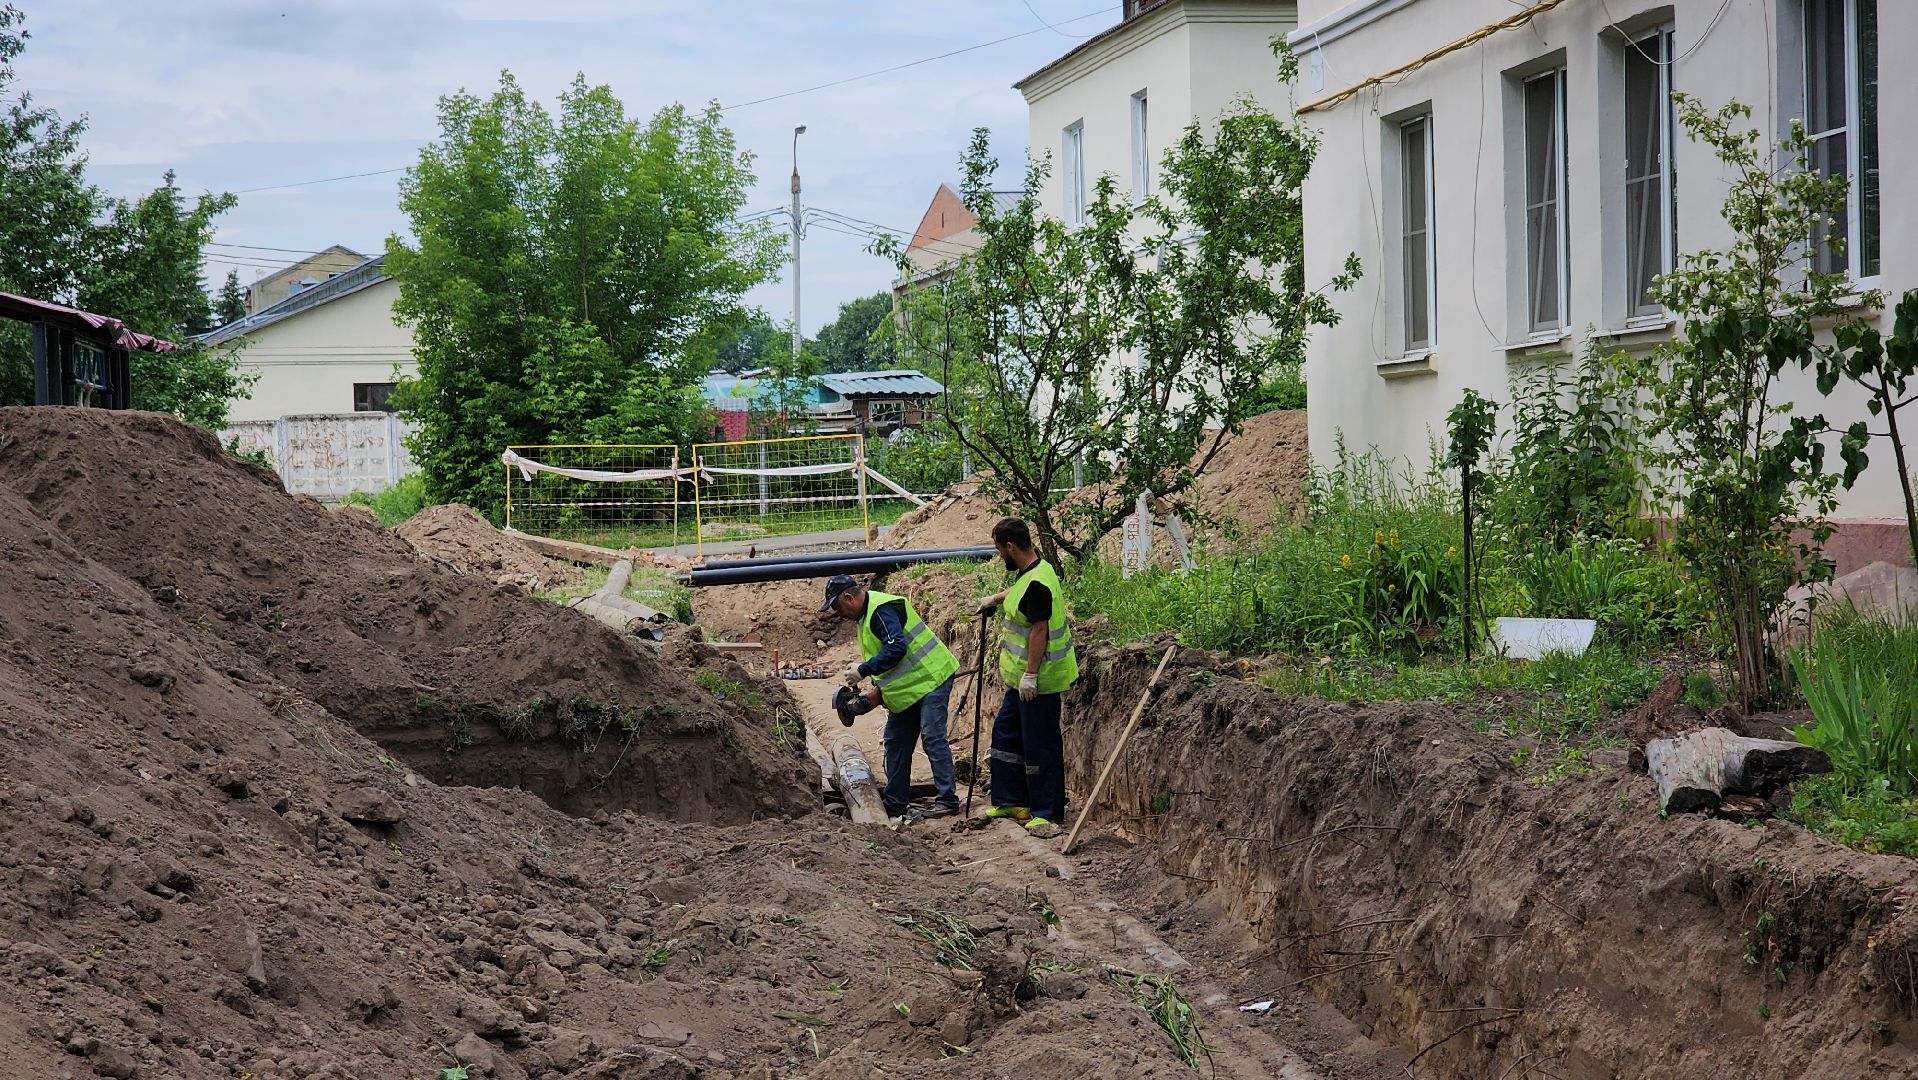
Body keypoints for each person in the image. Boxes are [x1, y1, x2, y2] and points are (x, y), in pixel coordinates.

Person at [821, 574, 961, 823]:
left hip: (932, 678)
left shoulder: (880, 611)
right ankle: (895, 802)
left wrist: (863, 669)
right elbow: (891, 668)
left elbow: (897, 649)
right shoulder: (866, 617)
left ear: (849, 598)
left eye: (837, 606)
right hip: (911, 689)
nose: (838, 613)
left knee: (932, 736)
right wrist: (873, 694)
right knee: (895, 740)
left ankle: (947, 801)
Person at [973, 518, 1078, 839]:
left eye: (998, 550)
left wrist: (1031, 675)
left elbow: (1040, 629)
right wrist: (996, 598)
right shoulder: (1031, 573)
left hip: (1039, 682)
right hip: (1019, 682)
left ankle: (1047, 811)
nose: (998, 556)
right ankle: (1012, 800)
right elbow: (1021, 591)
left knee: (1040, 745)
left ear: (1009, 546)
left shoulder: (1038, 583)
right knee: (1006, 735)